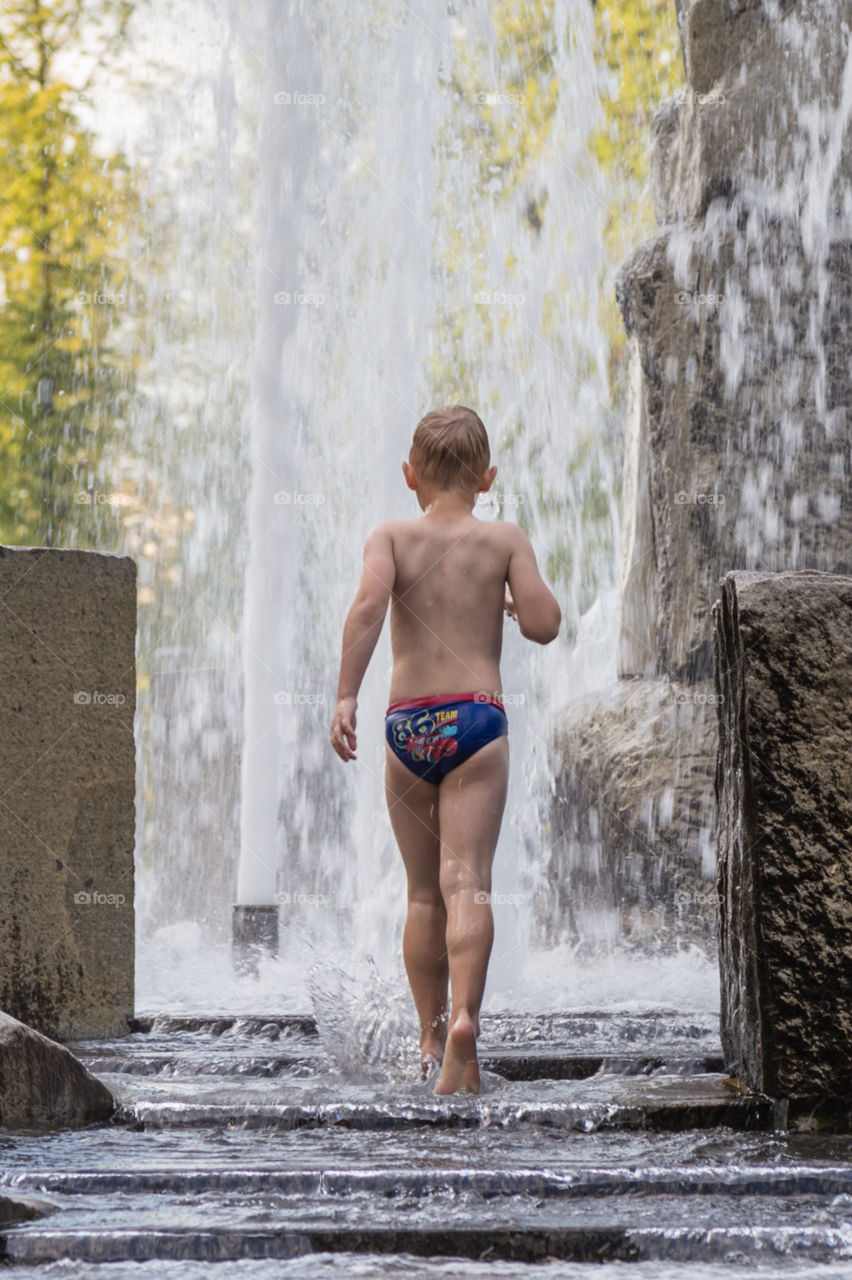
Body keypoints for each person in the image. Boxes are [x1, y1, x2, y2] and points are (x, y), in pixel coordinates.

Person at [329, 405, 561, 1094]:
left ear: (410, 475)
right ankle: (466, 1019)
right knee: (471, 884)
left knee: (424, 894)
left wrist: (346, 695)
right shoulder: (503, 539)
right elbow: (547, 625)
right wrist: (514, 606)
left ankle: (430, 1038)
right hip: (476, 724)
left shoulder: (391, 536)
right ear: (487, 477)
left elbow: (368, 609)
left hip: (409, 729)